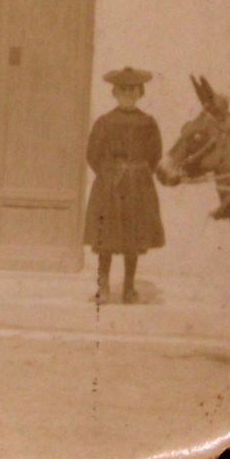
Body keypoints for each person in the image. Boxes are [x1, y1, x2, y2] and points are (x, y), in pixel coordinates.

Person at [83, 67, 165, 304]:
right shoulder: (104, 122)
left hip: (138, 188)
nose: (128, 95)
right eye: (123, 91)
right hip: (109, 187)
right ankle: (104, 289)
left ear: (140, 94)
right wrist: (110, 174)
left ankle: (129, 289)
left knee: (133, 239)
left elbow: (154, 155)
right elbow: (93, 155)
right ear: (115, 93)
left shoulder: (148, 123)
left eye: (133, 91)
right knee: (104, 238)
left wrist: (136, 174)